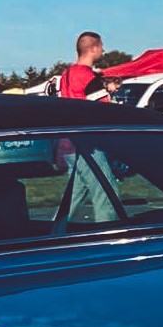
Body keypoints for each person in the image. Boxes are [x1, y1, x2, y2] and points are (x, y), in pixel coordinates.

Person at [58, 31, 119, 222]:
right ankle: (109, 234)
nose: (103, 50)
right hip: (89, 144)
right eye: (101, 47)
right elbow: (103, 111)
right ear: (93, 48)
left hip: (70, 144)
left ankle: (55, 231)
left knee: (74, 196)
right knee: (107, 194)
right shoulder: (89, 77)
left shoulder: (66, 75)